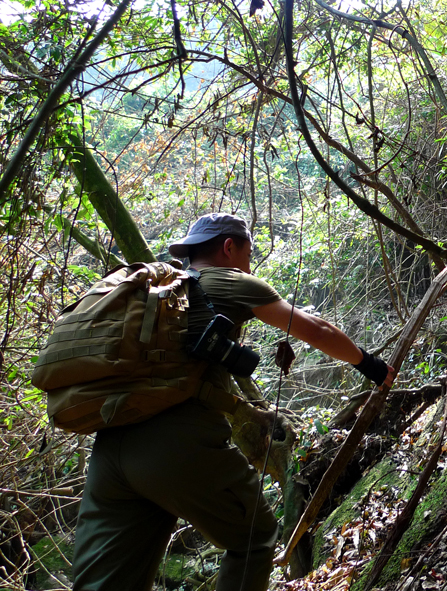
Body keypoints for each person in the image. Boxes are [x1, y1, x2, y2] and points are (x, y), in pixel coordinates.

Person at [71, 213, 395, 591]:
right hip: (175, 442)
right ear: (229, 247)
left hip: (111, 445)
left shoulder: (155, 290)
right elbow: (316, 328)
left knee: (106, 581)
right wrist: (371, 366)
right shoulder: (224, 279)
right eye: (248, 252)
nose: (249, 262)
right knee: (255, 538)